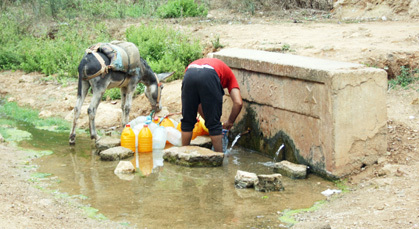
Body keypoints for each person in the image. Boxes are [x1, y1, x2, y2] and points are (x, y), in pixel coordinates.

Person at [180, 58, 243, 152]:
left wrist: (207, 119)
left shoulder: (218, 68)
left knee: (187, 121)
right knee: (214, 125)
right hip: (210, 74)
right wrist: (229, 122)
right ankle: (219, 159)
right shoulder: (230, 76)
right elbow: (238, 102)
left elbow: (197, 103)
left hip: (189, 73)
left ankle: (183, 156)